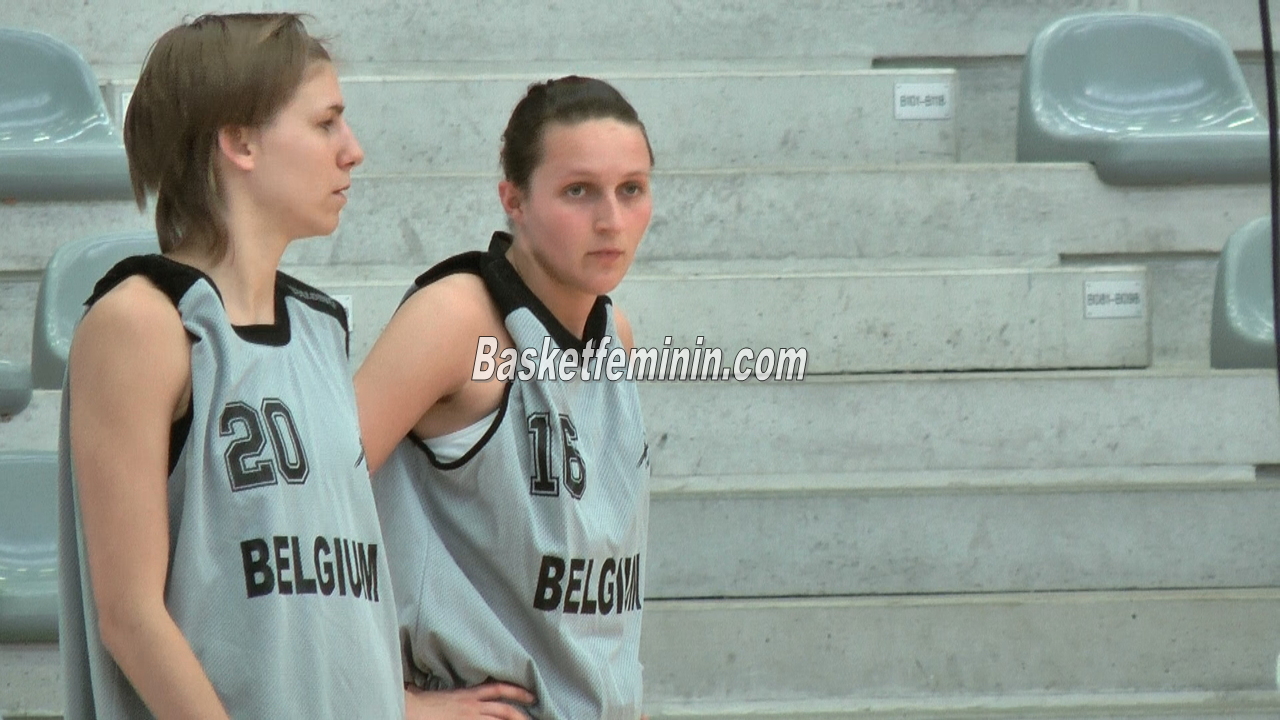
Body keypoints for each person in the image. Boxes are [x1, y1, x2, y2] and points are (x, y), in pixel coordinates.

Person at [56, 13, 403, 718]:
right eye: (325, 123)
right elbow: (129, 616)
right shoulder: (142, 322)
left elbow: (334, 596)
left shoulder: (321, 326)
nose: (353, 150)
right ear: (240, 141)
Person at [355, 76, 655, 719]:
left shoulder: (616, 334)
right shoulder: (456, 320)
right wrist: (390, 702)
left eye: (631, 189)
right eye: (578, 191)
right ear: (513, 200)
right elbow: (305, 509)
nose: (611, 219)